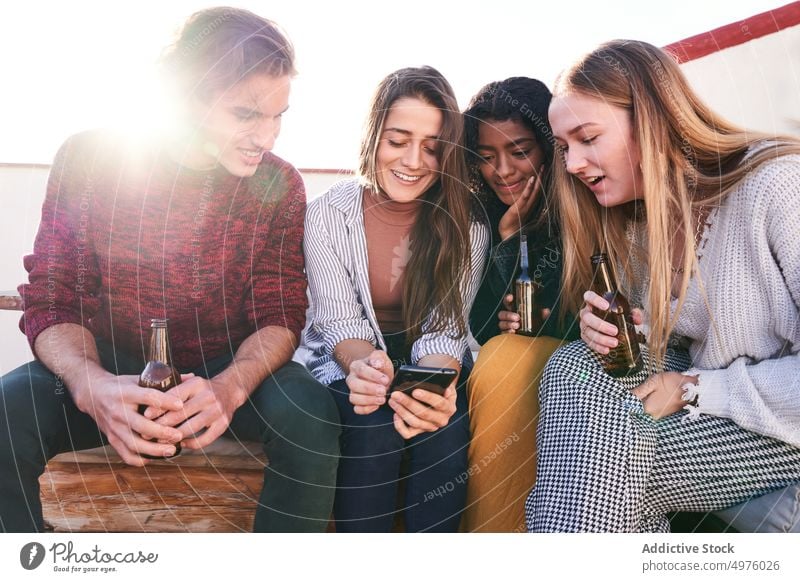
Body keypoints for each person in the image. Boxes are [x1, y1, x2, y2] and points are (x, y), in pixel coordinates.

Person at [0, 7, 340, 533]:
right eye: (246, 114)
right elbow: (53, 295)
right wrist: (93, 387)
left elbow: (280, 312)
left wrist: (228, 388)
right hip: (109, 363)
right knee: (4, 412)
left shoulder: (281, 185)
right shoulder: (89, 159)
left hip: (225, 365)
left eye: (279, 116)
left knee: (311, 415)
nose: (267, 136)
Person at [525, 39, 800, 532]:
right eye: (565, 148)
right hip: (729, 409)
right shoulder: (636, 223)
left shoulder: (778, 188)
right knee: (573, 366)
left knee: (600, 465)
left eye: (588, 138)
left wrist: (696, 389)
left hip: (785, 426)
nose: (570, 165)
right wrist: (628, 331)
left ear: (654, 119)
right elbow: (701, 333)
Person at [303, 66, 488, 532]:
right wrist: (369, 371)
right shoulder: (327, 213)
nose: (414, 160)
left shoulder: (468, 226)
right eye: (398, 140)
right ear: (373, 139)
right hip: (347, 360)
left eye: (433, 146)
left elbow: (447, 325)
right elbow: (338, 321)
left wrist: (432, 386)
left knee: (443, 429)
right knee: (373, 426)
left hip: (428, 358)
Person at [459, 77, 578, 532]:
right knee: (502, 359)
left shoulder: (582, 204)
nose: (503, 170)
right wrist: (508, 238)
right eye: (487, 157)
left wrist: (555, 323)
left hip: (570, 360)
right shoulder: (479, 214)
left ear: (549, 148)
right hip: (501, 364)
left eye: (520, 151)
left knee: (510, 363)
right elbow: (478, 323)